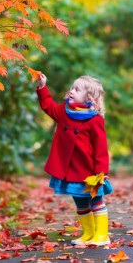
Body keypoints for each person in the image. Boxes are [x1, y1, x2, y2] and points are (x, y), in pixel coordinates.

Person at [36, 73, 113, 246]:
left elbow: (101, 148)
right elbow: (48, 106)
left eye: (77, 89)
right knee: (79, 200)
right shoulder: (64, 111)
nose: (71, 91)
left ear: (89, 97)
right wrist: (42, 87)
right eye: (72, 87)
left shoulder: (94, 120)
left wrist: (101, 172)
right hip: (70, 169)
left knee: (95, 200)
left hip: (88, 170)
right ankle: (87, 234)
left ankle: (102, 235)